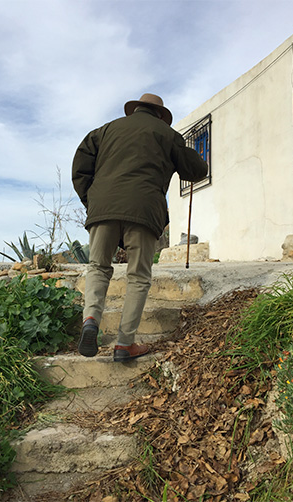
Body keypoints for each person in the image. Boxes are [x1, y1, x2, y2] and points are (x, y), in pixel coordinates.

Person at [72, 93, 208, 362]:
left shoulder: (104, 130)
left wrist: (93, 200)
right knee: (138, 276)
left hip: (103, 208)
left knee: (98, 267)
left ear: (134, 110)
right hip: (144, 209)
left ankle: (91, 319)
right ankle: (124, 344)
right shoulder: (167, 134)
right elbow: (196, 170)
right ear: (160, 114)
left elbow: (80, 165)